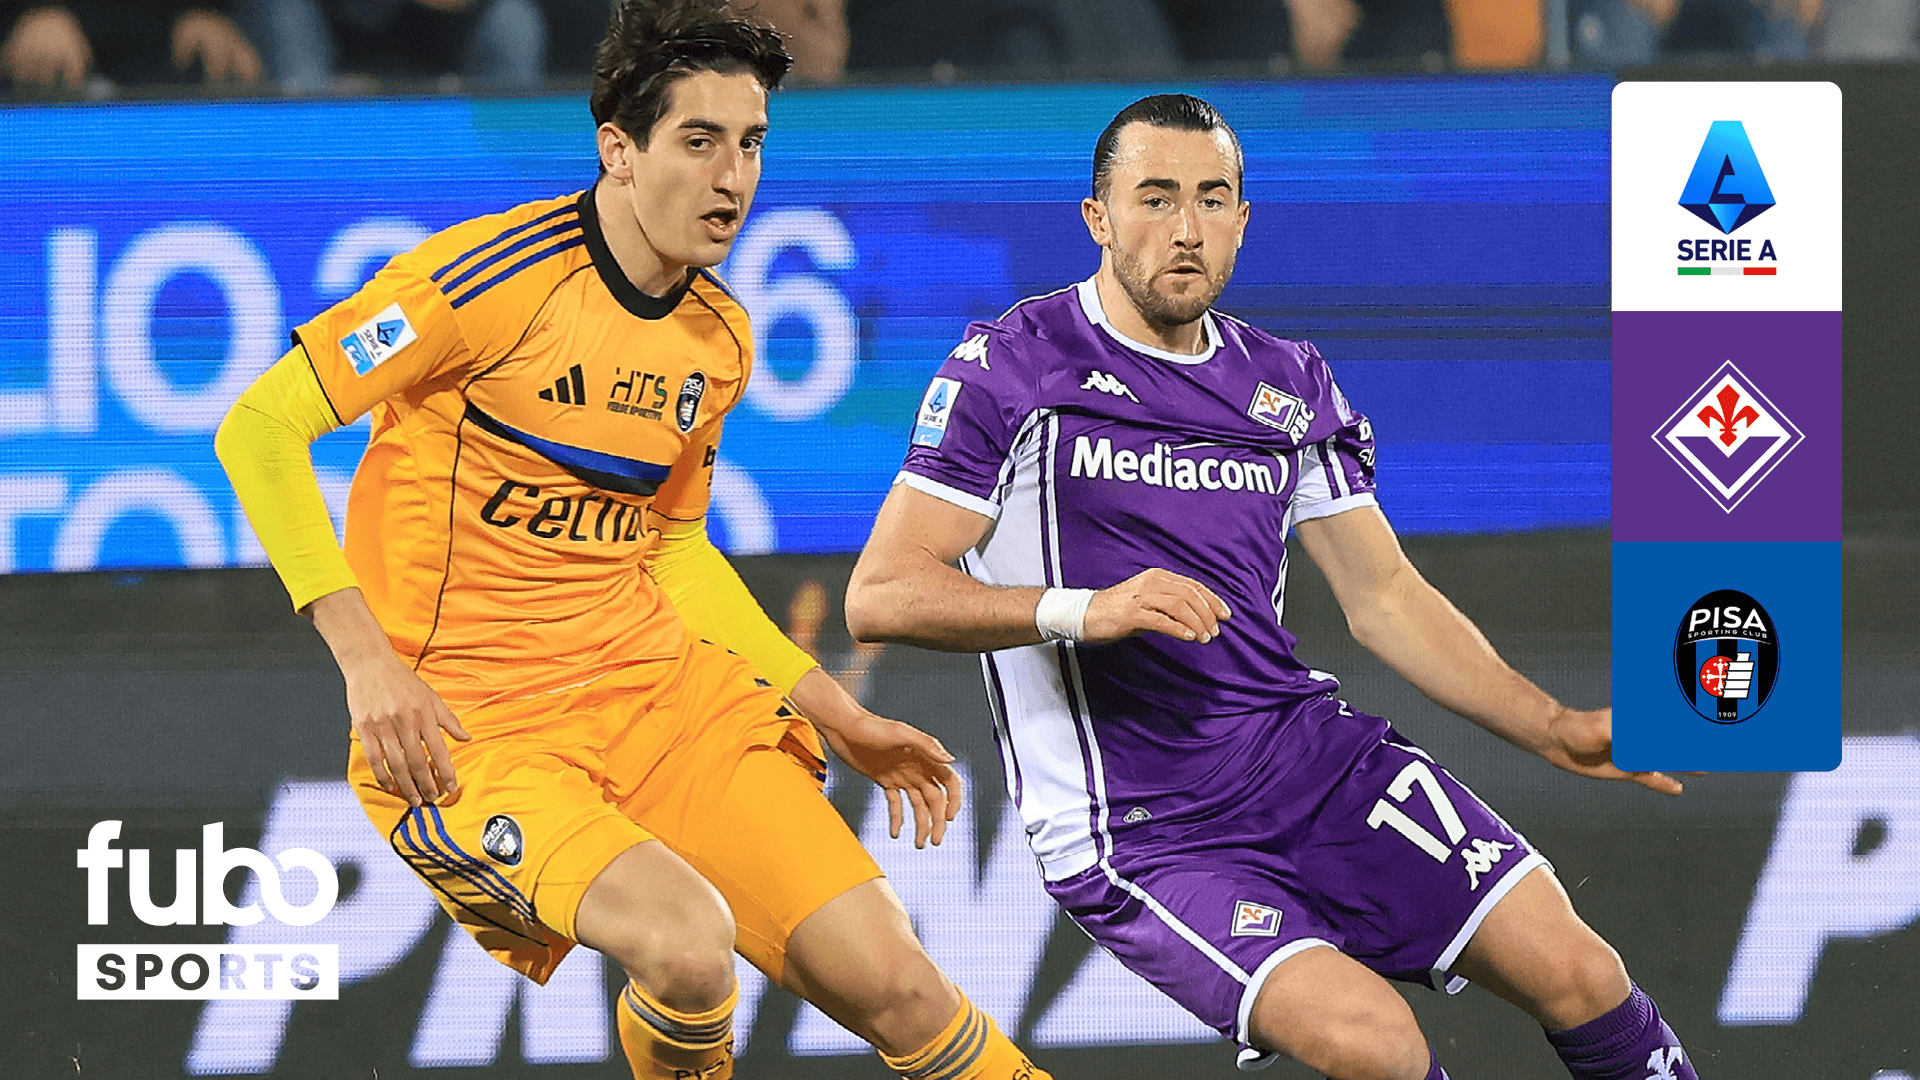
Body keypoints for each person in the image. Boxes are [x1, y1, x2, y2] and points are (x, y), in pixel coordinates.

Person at [214, 3, 1051, 1079]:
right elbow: (260, 428)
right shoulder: (482, 284)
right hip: (479, 733)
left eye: (750, 144)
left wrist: (837, 715)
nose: (733, 179)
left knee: (903, 989)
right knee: (689, 948)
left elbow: (674, 554)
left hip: (662, 705)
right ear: (619, 149)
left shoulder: (720, 336)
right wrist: (367, 662)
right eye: (699, 141)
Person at [845, 92, 1700, 1080]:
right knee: (1379, 1045)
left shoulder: (1287, 381)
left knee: (1583, 973)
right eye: (1155, 198)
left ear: (1242, 221)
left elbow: (1384, 597)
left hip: (1309, 760)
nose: (1186, 228)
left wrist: (1551, 727)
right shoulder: (1015, 366)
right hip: (1143, 828)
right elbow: (882, 593)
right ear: (1097, 218)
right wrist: (1086, 611)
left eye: (1211, 200)